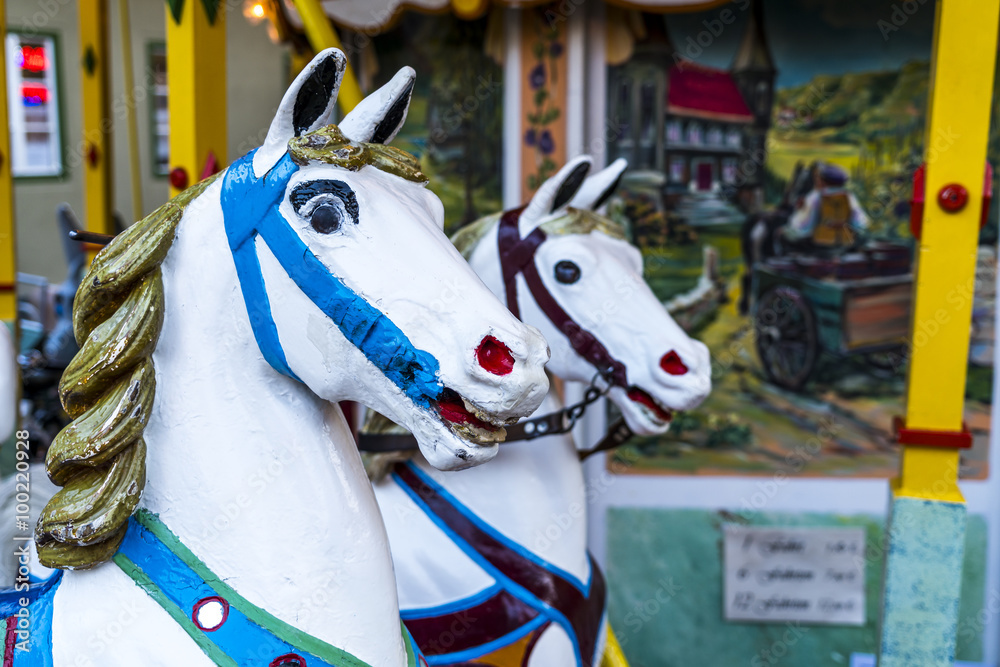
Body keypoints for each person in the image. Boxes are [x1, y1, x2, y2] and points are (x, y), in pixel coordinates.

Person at [781, 163, 869, 251]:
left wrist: (789, 229)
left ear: (823, 181)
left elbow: (803, 227)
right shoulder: (849, 197)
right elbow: (860, 223)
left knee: (782, 234)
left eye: (819, 178)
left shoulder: (816, 196)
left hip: (819, 244)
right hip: (843, 243)